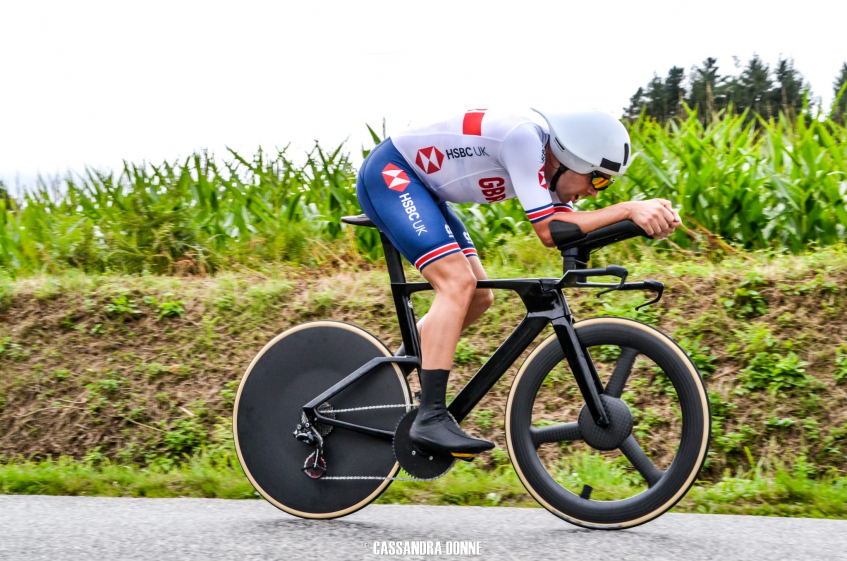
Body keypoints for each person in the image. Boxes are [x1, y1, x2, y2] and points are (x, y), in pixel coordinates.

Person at [355, 108, 682, 458]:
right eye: (598, 179)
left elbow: (570, 229)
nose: (595, 192)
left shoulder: (551, 168)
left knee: (480, 297)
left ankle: (390, 380)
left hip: (425, 190)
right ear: (572, 160)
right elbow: (549, 231)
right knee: (457, 283)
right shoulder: (524, 140)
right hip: (393, 172)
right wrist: (628, 209)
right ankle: (430, 416)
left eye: (606, 185)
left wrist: (637, 223)